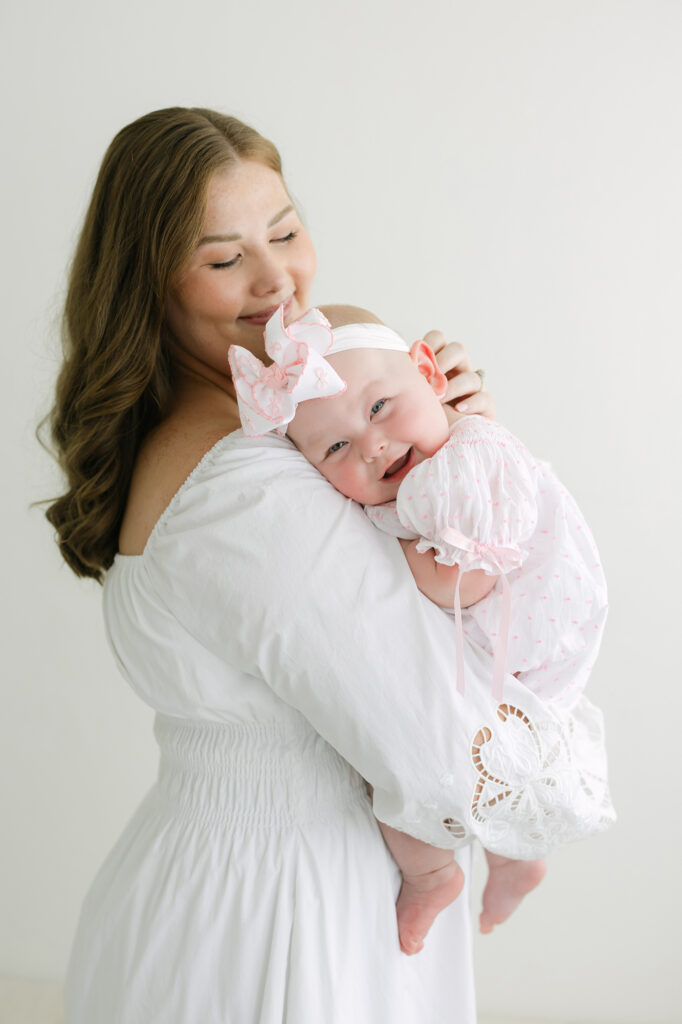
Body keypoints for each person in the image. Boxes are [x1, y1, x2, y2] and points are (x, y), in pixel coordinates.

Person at [44, 106, 531, 1024]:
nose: (278, 281)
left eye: (286, 230)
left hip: (254, 887)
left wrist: (461, 446)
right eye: (225, 259)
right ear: (150, 286)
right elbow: (435, 736)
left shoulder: (282, 431)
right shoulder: (242, 482)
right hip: (283, 913)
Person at [229, 302, 613, 955]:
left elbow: (467, 579)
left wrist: (398, 562)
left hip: (525, 635)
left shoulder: (461, 466)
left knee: (403, 762)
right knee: (420, 750)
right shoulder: (425, 467)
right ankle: (509, 861)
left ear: (430, 375)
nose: (373, 444)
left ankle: (432, 872)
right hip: (499, 645)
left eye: (379, 408)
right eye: (338, 448)